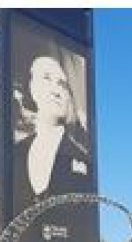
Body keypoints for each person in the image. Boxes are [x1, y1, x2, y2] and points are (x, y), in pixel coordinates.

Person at [14, 54, 91, 212]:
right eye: (47, 78)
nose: (57, 90)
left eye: (62, 84)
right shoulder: (15, 153)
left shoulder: (82, 158)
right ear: (32, 88)